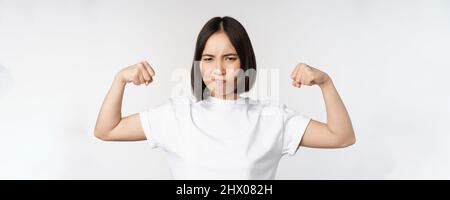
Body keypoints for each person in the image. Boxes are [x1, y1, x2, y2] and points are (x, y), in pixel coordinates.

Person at [94, 16, 355, 179]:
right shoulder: (176, 114)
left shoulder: (272, 118)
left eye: (229, 58)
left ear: (244, 61)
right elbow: (107, 129)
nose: (218, 70)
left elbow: (341, 137)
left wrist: (326, 83)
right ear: (199, 64)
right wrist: (120, 80)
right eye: (208, 59)